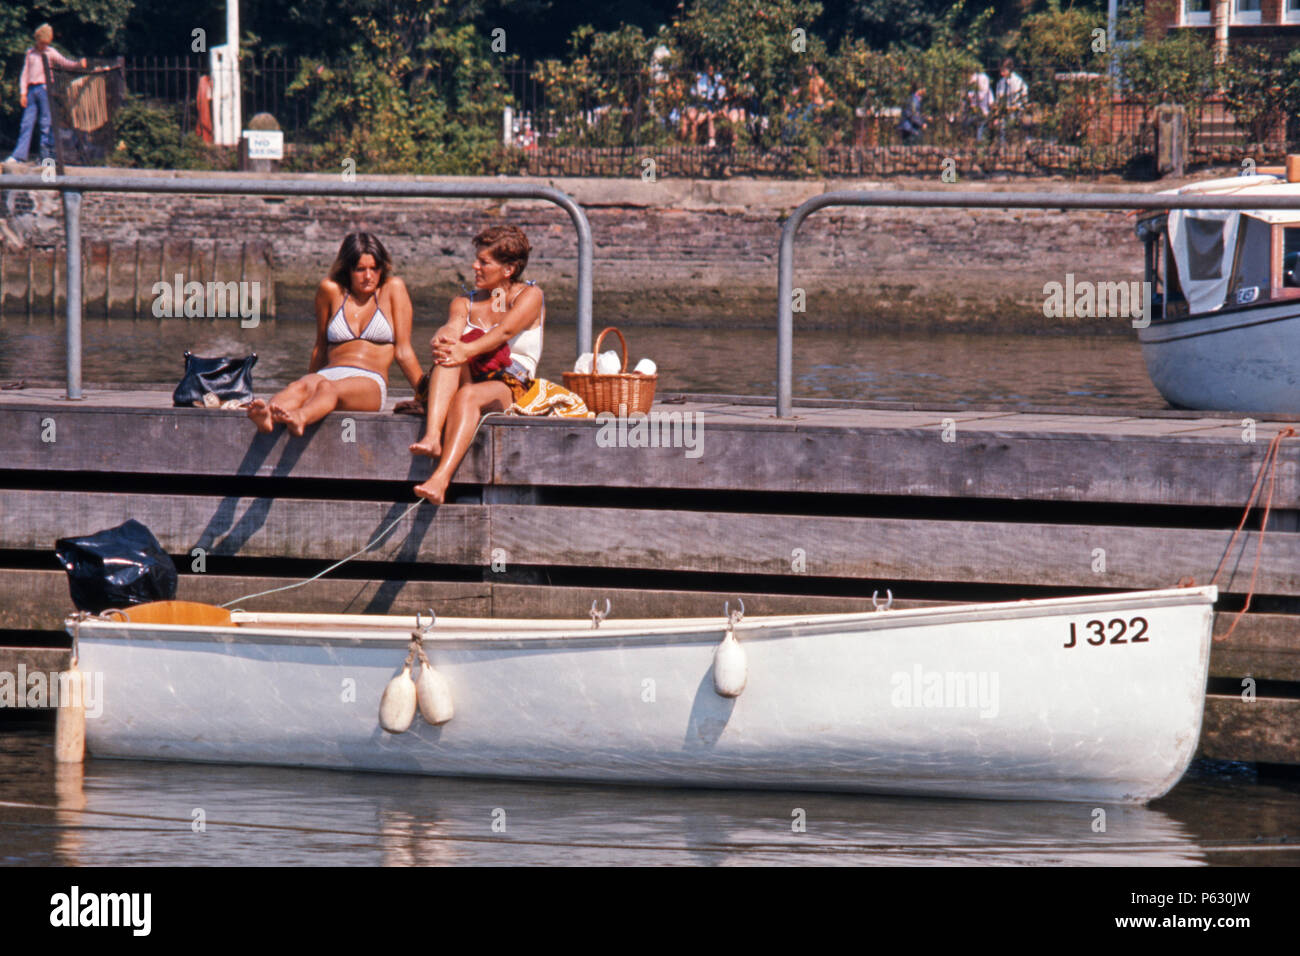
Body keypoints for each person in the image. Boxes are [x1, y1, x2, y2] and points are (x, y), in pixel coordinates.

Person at [409, 225, 543, 504]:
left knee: (467, 391)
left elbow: (504, 332)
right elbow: (452, 326)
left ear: (508, 270)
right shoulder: (463, 301)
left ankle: (439, 480)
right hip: (471, 374)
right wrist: (442, 338)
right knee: (448, 353)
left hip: (511, 381)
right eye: (476, 259)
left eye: (484, 262)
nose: (475, 266)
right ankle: (433, 437)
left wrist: (465, 349)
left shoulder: (530, 297)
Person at [247, 232, 423, 436]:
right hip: (328, 374)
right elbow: (320, 348)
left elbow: (403, 352)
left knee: (328, 389)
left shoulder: (393, 289)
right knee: (298, 387)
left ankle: (301, 417)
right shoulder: (330, 291)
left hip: (368, 381)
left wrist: (425, 395)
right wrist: (308, 380)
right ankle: (267, 416)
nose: (368, 276)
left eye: (374, 268)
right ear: (347, 269)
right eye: (360, 269)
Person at [3, 24, 88, 165]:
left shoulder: (51, 52)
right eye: (41, 43)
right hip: (31, 90)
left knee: (45, 123)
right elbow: (25, 74)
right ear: (37, 40)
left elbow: (64, 63)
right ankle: (19, 156)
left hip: (44, 90)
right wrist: (23, 93)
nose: (43, 46)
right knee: (26, 123)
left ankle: (45, 157)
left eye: (46, 43)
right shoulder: (30, 53)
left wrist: (78, 64)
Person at [993, 58, 1029, 142]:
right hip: (1004, 110)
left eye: (1004, 70)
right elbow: (998, 98)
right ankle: (1003, 145)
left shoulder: (1018, 81)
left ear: (1010, 69)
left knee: (1012, 124)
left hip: (1016, 110)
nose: (1002, 73)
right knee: (1000, 125)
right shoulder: (1000, 83)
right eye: (1001, 70)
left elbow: (1024, 97)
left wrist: (1017, 107)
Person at [965, 71, 992, 142]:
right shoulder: (972, 91)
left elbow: (990, 103)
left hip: (984, 114)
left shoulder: (987, 91)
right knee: (967, 123)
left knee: (981, 123)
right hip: (975, 114)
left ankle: (979, 141)